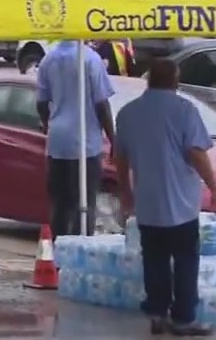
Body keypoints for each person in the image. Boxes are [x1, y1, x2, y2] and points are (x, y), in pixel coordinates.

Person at [114, 58, 216, 336]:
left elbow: (120, 159)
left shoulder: (127, 113)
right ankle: (183, 319)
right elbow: (196, 153)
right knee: (185, 261)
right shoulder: (184, 110)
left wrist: (125, 192)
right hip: (181, 206)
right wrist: (213, 184)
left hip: (148, 204)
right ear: (175, 81)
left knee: (154, 259)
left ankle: (157, 313)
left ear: (149, 80)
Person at [36, 40, 116, 237]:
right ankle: (81, 248)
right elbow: (102, 104)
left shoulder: (48, 60)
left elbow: (41, 102)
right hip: (84, 142)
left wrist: (49, 125)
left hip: (58, 142)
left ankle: (58, 252)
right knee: (85, 203)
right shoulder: (90, 59)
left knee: (61, 204)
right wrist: (113, 139)